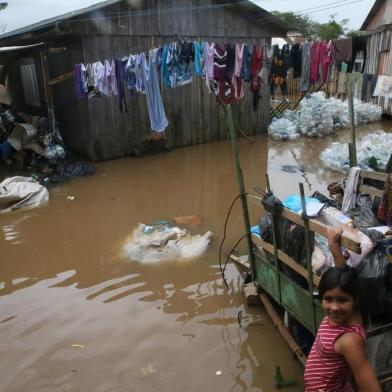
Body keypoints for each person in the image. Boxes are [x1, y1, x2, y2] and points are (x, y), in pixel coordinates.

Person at [304, 228, 381, 392]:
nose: (334, 308)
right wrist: (333, 246)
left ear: (355, 302)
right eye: (328, 299)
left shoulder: (349, 341)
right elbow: (344, 280)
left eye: (342, 301)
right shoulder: (348, 313)